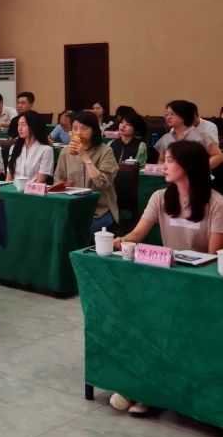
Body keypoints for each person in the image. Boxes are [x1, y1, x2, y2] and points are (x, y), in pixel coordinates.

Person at [111, 140, 223, 416]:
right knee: (142, 322)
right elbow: (137, 234)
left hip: (200, 283)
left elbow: (212, 256)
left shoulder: (216, 203)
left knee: (168, 327)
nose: (163, 165)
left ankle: (149, 393)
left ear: (189, 166)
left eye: (170, 161)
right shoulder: (160, 197)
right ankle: (143, 388)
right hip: (167, 278)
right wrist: (120, 241)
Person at [54, 112, 120, 232]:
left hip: (99, 210)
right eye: (75, 128)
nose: (79, 133)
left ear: (94, 130)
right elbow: (58, 180)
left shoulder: (106, 151)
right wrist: (62, 186)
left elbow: (102, 183)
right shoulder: (65, 152)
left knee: (78, 229)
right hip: (72, 207)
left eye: (84, 128)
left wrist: (84, 155)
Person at [155, 100, 223, 171]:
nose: (168, 117)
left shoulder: (202, 136)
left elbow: (218, 156)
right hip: (171, 176)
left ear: (184, 115)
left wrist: (200, 170)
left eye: (172, 114)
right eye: (166, 114)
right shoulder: (165, 138)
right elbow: (161, 160)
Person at [5, 110, 54, 184]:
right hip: (14, 189)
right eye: (18, 124)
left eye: (23, 124)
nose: (19, 128)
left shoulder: (46, 150)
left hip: (34, 190)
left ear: (33, 126)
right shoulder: (14, 148)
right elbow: (8, 178)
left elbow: (40, 181)